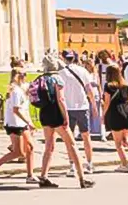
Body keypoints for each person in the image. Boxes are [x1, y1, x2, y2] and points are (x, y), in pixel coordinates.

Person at [34, 55, 94, 189]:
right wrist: (65, 116)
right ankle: (82, 178)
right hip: (56, 114)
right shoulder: (57, 79)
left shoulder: (40, 79)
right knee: (72, 144)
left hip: (44, 113)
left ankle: (43, 176)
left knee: (49, 146)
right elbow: (61, 99)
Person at [0, 69, 36, 181]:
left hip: (21, 123)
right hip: (15, 123)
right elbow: (16, 110)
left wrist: (29, 122)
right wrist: (28, 122)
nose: (26, 76)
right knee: (18, 152)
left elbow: (24, 108)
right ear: (18, 76)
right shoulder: (15, 91)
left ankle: (30, 175)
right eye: (24, 74)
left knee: (30, 147)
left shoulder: (20, 89)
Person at [58, 50, 95, 175]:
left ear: (64, 59)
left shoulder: (61, 73)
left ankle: (72, 165)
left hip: (67, 108)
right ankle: (89, 164)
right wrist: (94, 105)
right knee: (86, 137)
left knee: (70, 139)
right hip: (82, 107)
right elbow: (89, 89)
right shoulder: (83, 71)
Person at [101, 64, 128, 172]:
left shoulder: (108, 86)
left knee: (118, 143)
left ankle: (124, 165)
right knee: (125, 138)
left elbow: (107, 102)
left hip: (115, 114)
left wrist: (103, 115)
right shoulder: (126, 85)